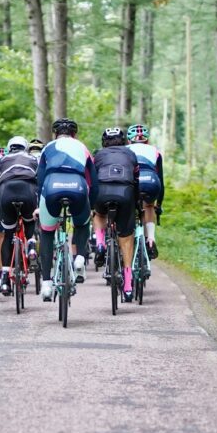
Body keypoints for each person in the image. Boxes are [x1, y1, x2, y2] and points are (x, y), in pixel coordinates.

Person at [37, 118, 96, 300]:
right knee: (82, 223)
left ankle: (46, 284)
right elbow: (93, 181)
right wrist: (91, 206)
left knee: (46, 233)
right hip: (77, 187)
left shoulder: (48, 148)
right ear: (74, 134)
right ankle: (79, 259)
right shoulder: (82, 148)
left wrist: (40, 203)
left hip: (52, 188)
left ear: (55, 134)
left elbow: (39, 179)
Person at [91, 127, 141, 302]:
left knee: (98, 214)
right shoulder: (130, 154)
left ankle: (99, 244)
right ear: (125, 141)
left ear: (104, 143)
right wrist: (135, 205)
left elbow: (91, 180)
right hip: (125, 192)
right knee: (126, 237)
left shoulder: (97, 156)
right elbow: (136, 181)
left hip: (102, 191)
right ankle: (128, 286)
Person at [0, 136, 39, 296]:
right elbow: (39, 181)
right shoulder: (33, 158)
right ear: (25, 147)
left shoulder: (2, 160)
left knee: (8, 234)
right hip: (28, 191)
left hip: (7, 192)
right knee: (30, 222)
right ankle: (32, 246)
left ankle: (5, 278)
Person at [126, 123, 163, 260]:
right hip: (151, 181)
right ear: (147, 140)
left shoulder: (125, 149)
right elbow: (161, 180)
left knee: (127, 207)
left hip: (132, 181)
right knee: (149, 206)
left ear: (129, 140)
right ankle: (151, 239)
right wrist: (158, 204)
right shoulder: (155, 151)